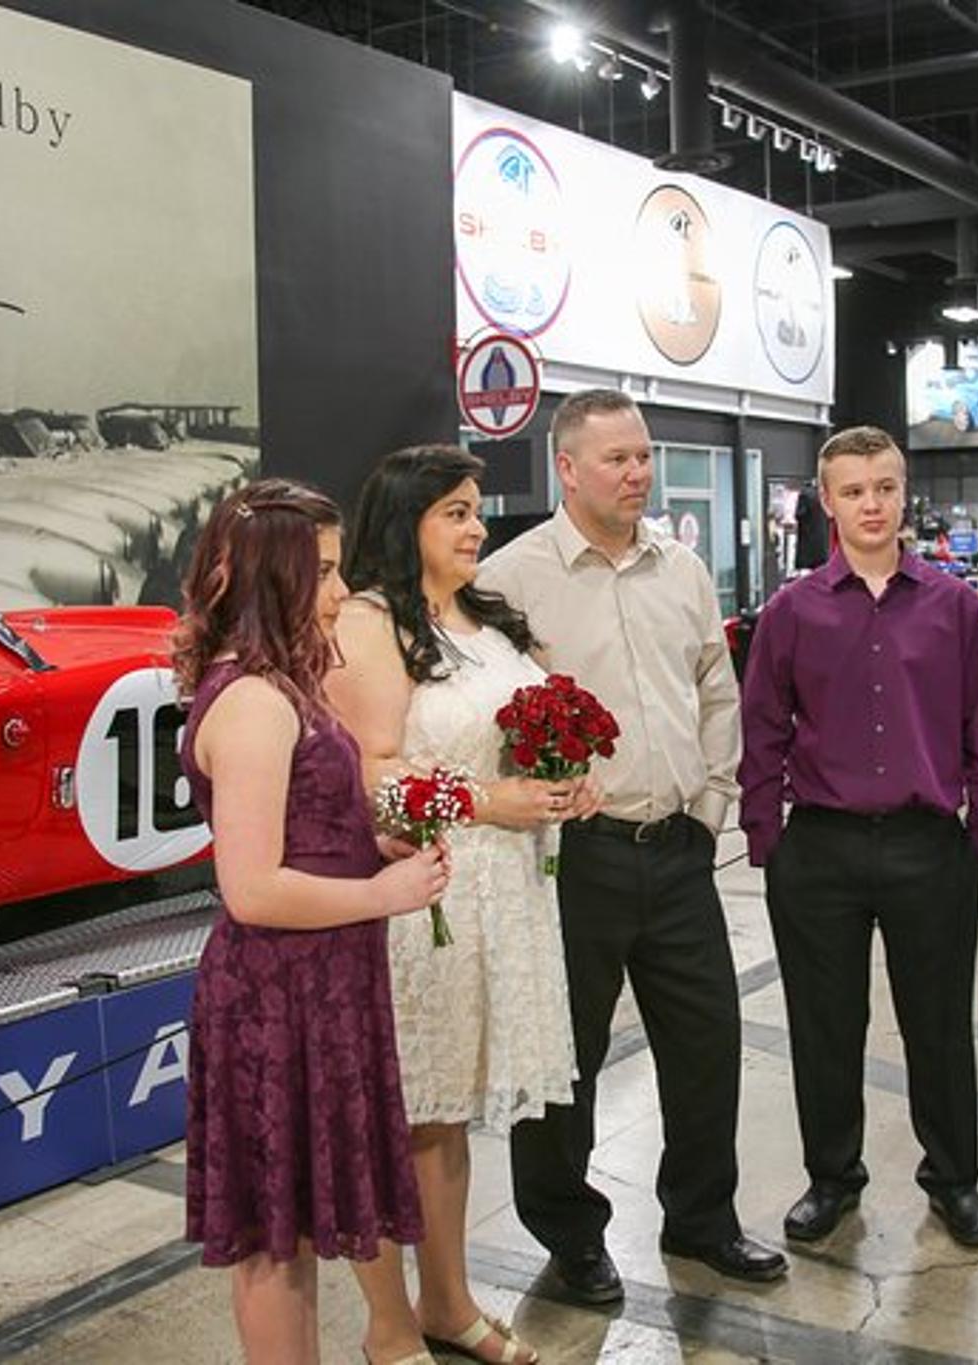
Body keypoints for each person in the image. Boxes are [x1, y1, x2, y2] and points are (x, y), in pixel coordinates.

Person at [476, 388, 788, 1301]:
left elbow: (716, 689)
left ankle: (701, 1219)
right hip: (575, 860)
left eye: (644, 455)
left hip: (679, 848)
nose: (638, 473)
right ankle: (569, 1233)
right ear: (567, 469)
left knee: (707, 1041)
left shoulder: (682, 569)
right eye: (617, 459)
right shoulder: (514, 579)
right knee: (563, 1056)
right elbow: (488, 718)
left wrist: (711, 807)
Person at [172, 480, 453, 1365]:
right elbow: (252, 887)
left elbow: (300, 828)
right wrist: (384, 892)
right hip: (278, 996)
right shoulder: (255, 702)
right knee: (270, 1241)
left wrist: (371, 840)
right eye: (323, 572)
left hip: (321, 987)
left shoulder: (277, 686)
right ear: (270, 579)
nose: (338, 593)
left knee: (286, 1232)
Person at [329, 445, 596, 1365]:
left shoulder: (485, 621)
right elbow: (368, 780)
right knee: (400, 1112)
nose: (477, 526)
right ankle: (388, 1322)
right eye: (455, 511)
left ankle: (447, 1301)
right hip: (424, 894)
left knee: (445, 1113)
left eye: (477, 509)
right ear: (405, 522)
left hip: (506, 893)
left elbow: (523, 730)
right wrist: (490, 801)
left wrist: (563, 778)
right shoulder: (370, 622)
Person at [738, 426, 978, 1250]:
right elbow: (762, 730)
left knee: (938, 1022)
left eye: (885, 487)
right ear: (826, 500)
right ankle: (832, 1178)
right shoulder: (791, 611)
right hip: (818, 850)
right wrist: (768, 841)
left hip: (930, 846)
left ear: (904, 494)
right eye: (854, 489)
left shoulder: (956, 606)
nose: (871, 503)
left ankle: (954, 1179)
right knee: (824, 1023)